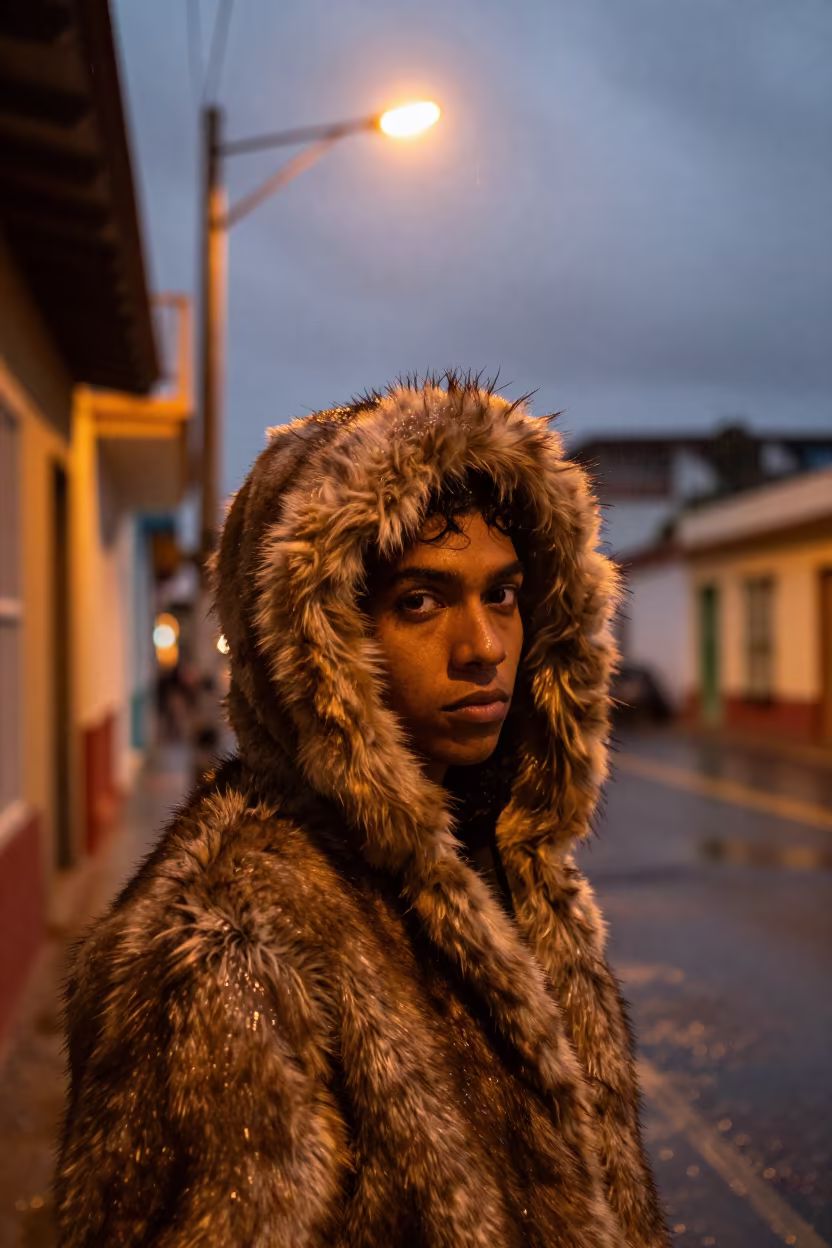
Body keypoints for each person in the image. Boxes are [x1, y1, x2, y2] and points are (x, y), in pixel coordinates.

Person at [55, 374, 668, 1247]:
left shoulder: (518, 875)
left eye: (503, 593)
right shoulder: (230, 945)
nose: (483, 647)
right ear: (318, 644)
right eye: (421, 602)